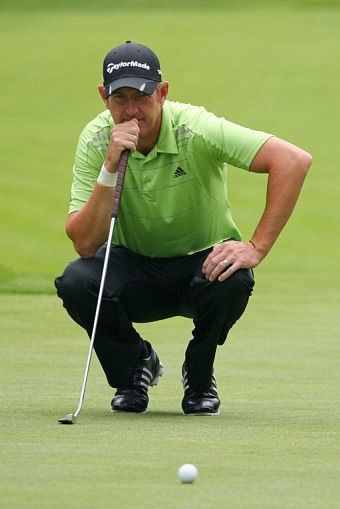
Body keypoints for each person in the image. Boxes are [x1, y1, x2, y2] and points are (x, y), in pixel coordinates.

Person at [55, 41, 312, 416]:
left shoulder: (196, 128)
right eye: (119, 98)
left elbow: (293, 160)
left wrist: (256, 247)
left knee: (235, 277)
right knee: (77, 280)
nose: (131, 111)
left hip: (201, 267)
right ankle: (133, 370)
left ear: (162, 93)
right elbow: (84, 243)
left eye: (142, 97)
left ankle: (200, 371)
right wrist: (109, 167)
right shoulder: (97, 140)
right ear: (103, 97)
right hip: (134, 268)